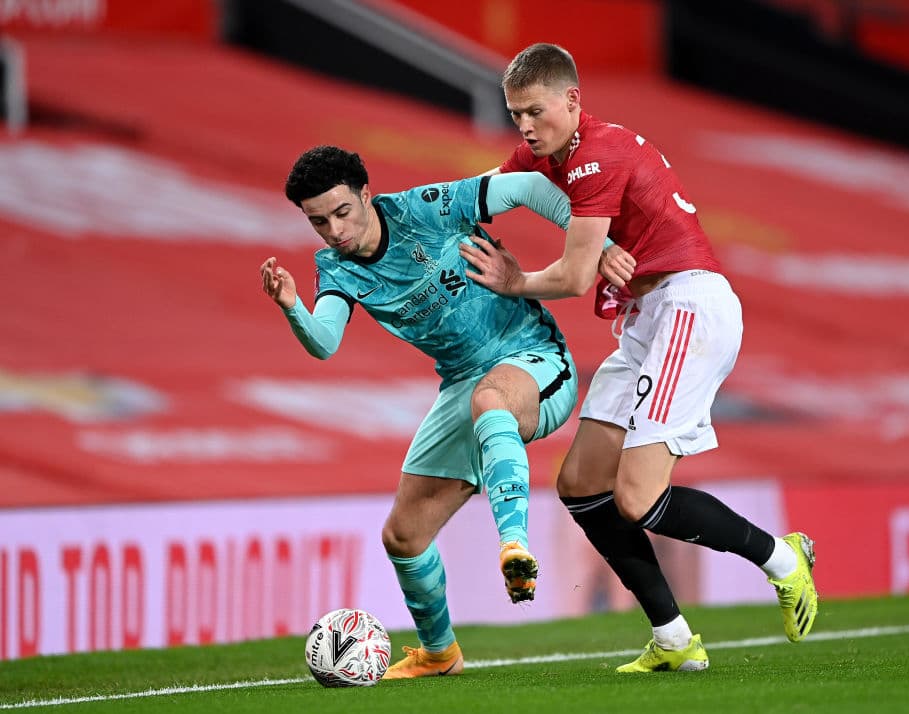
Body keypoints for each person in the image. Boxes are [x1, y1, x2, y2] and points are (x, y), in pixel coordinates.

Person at [459, 43, 819, 673]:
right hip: (647, 317)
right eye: (516, 114)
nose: (525, 127)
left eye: (536, 112)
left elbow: (573, 278)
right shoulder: (547, 153)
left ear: (573, 99)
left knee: (638, 498)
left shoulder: (597, 156)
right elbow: (483, 192)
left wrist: (518, 281)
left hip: (688, 307)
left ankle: (783, 559)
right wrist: (391, 220)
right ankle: (674, 641)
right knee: (580, 484)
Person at [261, 145, 581, 679]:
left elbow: (525, 186)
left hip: (534, 357)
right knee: (404, 537)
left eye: (342, 212)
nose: (335, 230)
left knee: (490, 399)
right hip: (463, 383)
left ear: (367, 194)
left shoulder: (426, 207)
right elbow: (325, 342)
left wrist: (598, 244)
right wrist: (293, 305)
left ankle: (514, 545)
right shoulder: (335, 268)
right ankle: (439, 654)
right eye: (319, 221)